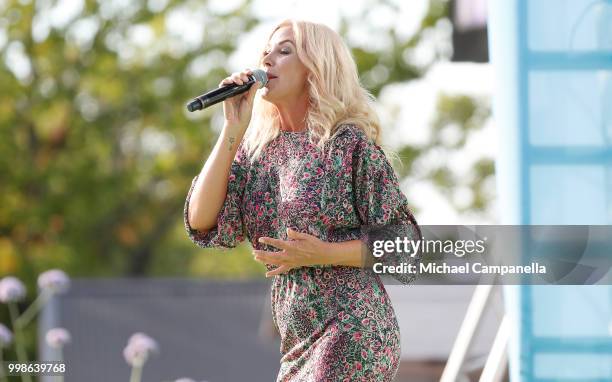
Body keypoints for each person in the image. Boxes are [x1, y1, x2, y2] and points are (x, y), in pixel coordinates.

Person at [184, 19, 421, 382]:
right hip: (296, 339)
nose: (268, 57)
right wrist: (232, 128)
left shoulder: (348, 147)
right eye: (267, 50)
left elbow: (407, 244)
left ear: (316, 68)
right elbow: (201, 219)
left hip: (352, 327)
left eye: (284, 51)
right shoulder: (257, 153)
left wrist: (324, 254)